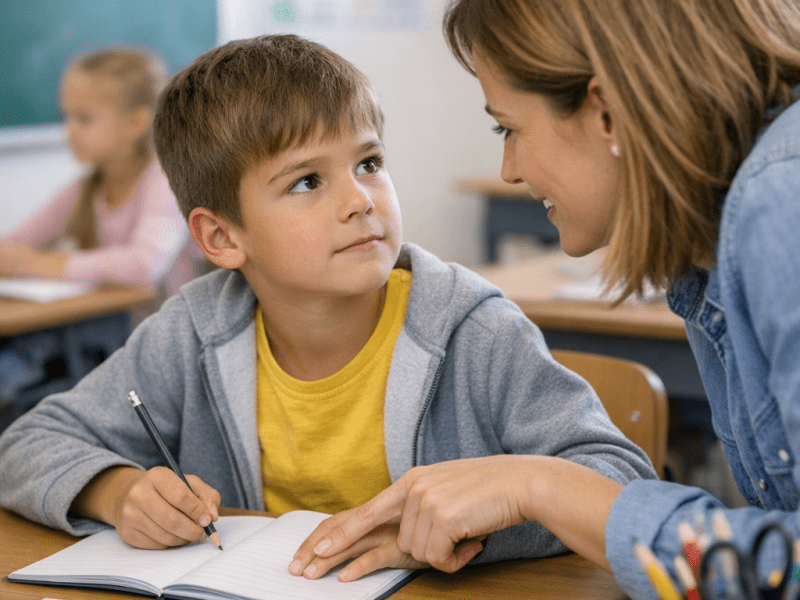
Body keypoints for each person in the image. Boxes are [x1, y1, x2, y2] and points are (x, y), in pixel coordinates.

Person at [0, 34, 655, 572]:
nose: (360, 200)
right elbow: (29, 442)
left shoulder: (473, 329)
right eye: (308, 181)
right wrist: (115, 491)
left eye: (369, 162)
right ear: (221, 237)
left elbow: (617, 479)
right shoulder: (192, 332)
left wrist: (459, 534)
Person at [290, 0, 800, 596]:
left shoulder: (780, 205)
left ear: (606, 112)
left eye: (509, 127)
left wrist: (542, 487)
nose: (507, 169)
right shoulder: (722, 237)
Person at [0, 48, 201, 400]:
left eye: (84, 119)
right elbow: (20, 239)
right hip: (114, 331)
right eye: (67, 117)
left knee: (39, 343)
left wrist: (40, 263)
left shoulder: (163, 179)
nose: (69, 130)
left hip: (162, 341)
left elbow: (144, 265)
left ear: (134, 123)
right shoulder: (86, 186)